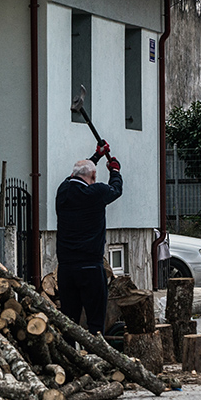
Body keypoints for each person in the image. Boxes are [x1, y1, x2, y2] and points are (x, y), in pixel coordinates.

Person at [55, 141, 123, 338]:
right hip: (91, 267)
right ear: (93, 176)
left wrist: (96, 156)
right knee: (95, 320)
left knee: (69, 319)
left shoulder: (63, 191)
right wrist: (115, 170)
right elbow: (116, 190)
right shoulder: (97, 192)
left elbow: (76, 174)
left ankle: (70, 358)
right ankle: (96, 355)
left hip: (66, 267)